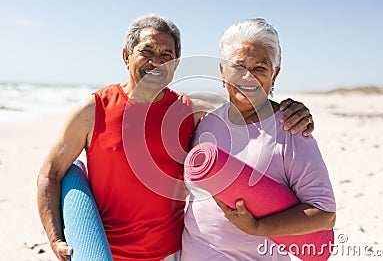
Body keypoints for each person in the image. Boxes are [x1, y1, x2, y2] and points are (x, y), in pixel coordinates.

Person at [37, 14, 315, 261]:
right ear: (126, 55)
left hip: (172, 252)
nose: (156, 62)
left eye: (166, 55)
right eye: (147, 51)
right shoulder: (92, 109)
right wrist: (56, 238)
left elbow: (245, 113)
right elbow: (50, 174)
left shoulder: (189, 113)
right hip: (104, 251)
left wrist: (288, 109)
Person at [182, 18, 336, 260]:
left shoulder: (291, 129)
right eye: (238, 66)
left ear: (274, 75)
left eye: (260, 68)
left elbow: (324, 214)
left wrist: (257, 228)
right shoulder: (206, 123)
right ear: (222, 71)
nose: (248, 77)